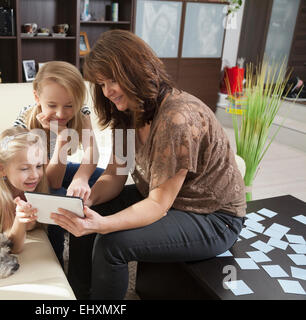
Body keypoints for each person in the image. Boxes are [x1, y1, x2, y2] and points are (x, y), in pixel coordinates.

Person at [50, 30, 246, 299]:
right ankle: (78, 295)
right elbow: (114, 176)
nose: (107, 92)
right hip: (166, 200)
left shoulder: (177, 118)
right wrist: (86, 201)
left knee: (111, 243)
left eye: (112, 81)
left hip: (212, 217)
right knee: (88, 214)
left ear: (135, 70)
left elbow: (157, 205)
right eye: (102, 84)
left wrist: (103, 225)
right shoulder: (126, 114)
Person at [13, 60, 104, 265]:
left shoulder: (82, 112)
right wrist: (62, 137)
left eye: (69, 105)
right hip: (33, 178)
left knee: (102, 180)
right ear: (37, 97)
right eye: (52, 106)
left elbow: (92, 151)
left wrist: (81, 178)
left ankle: (97, 240)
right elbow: (51, 181)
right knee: (57, 198)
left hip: (55, 169)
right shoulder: (26, 122)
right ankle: (57, 259)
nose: (62, 114)